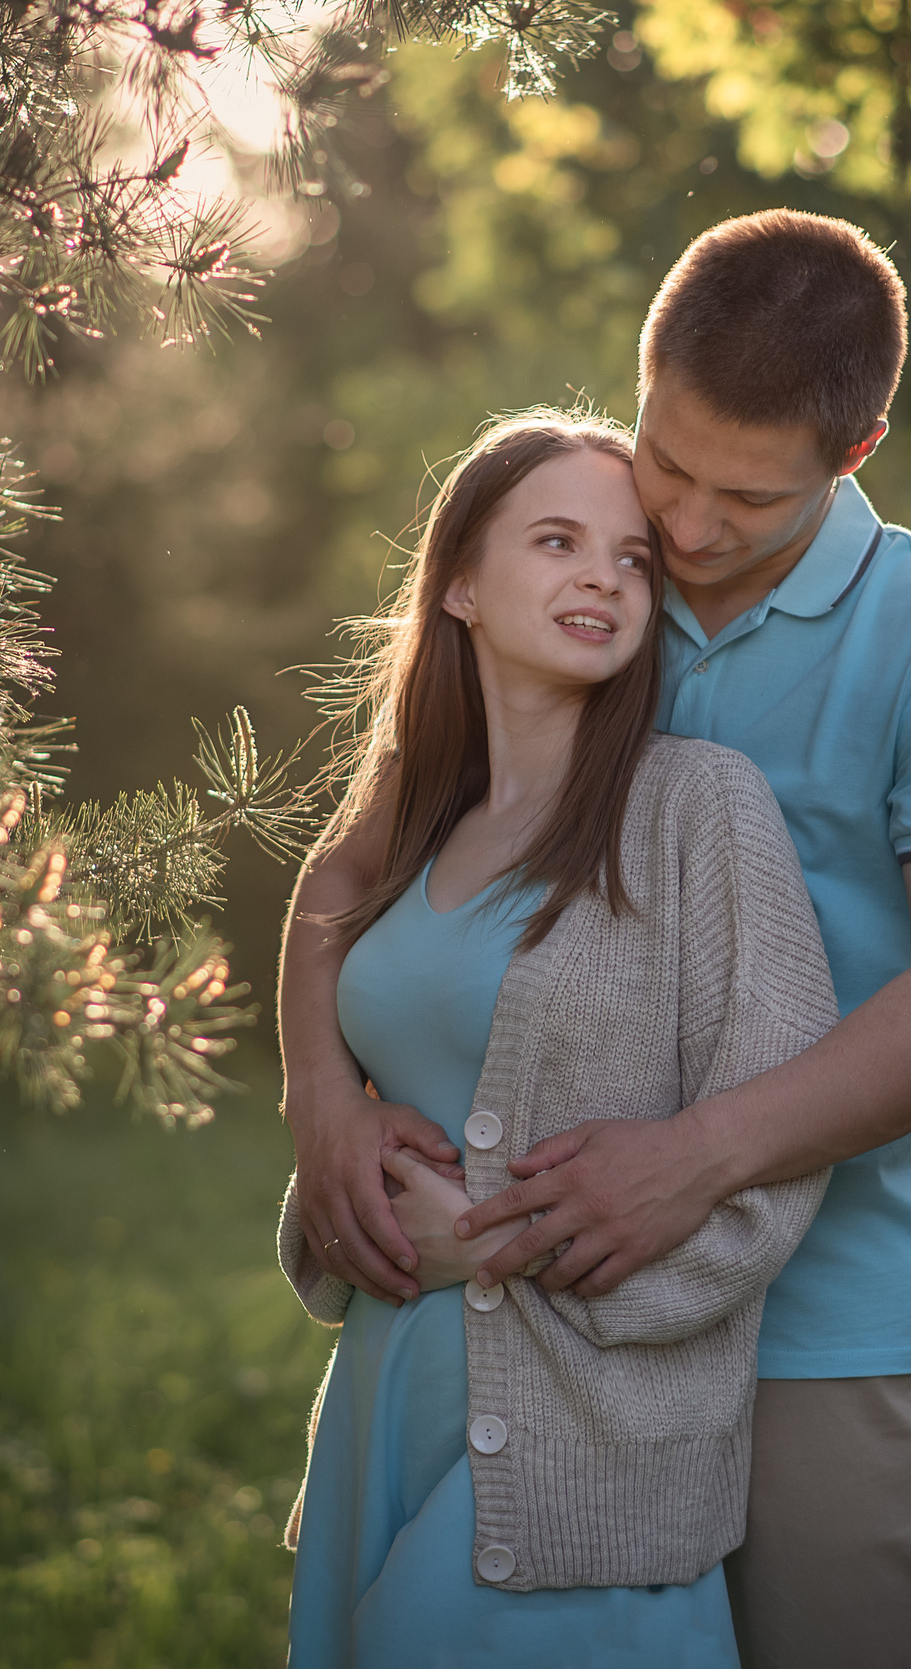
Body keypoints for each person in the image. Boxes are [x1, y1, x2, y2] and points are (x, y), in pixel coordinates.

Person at [281, 211, 911, 1667]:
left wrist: (699, 1154)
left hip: (831, 1330)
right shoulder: (586, 592)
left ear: (859, 450)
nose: (690, 529)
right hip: (552, 1332)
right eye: (672, 464)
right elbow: (354, 866)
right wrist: (324, 1097)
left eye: (749, 497)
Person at [276, 409, 842, 1667]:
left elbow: (770, 1163)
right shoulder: (421, 818)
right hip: (385, 1407)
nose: (603, 575)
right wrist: (324, 1112)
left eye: (632, 558)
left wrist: (487, 1236)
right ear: (462, 586)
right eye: (556, 541)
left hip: (584, 1453)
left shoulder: (697, 807)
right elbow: (325, 907)